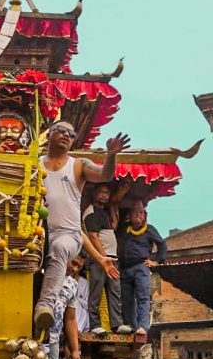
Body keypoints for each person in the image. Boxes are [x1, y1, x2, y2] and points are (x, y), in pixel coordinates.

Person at [34, 121, 129, 330]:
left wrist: (111, 154)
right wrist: (99, 258)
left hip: (68, 235)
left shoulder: (79, 165)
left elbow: (105, 175)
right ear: (49, 133)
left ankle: (45, 306)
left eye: (72, 133)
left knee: (59, 248)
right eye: (62, 130)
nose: (67, 135)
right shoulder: (34, 164)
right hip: (39, 235)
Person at [82, 184, 130, 334]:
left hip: (111, 259)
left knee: (115, 291)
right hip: (100, 260)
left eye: (107, 193)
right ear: (94, 194)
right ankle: (95, 325)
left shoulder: (103, 212)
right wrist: (103, 258)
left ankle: (117, 324)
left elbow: (113, 226)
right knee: (96, 292)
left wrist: (113, 207)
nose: (104, 195)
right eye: (101, 192)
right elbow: (93, 236)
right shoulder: (91, 212)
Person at [116, 200, 167, 335]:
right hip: (125, 268)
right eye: (135, 213)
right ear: (130, 215)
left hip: (141, 267)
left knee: (143, 297)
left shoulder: (149, 229)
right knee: (126, 299)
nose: (138, 215)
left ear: (145, 215)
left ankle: (143, 327)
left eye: (140, 213)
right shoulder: (124, 228)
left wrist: (157, 261)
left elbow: (162, 245)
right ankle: (131, 326)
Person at [39, 255, 85, 359]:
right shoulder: (42, 274)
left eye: (79, 267)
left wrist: (75, 350)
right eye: (74, 263)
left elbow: (70, 319)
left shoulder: (73, 285)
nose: (75, 269)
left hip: (53, 340)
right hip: (35, 337)